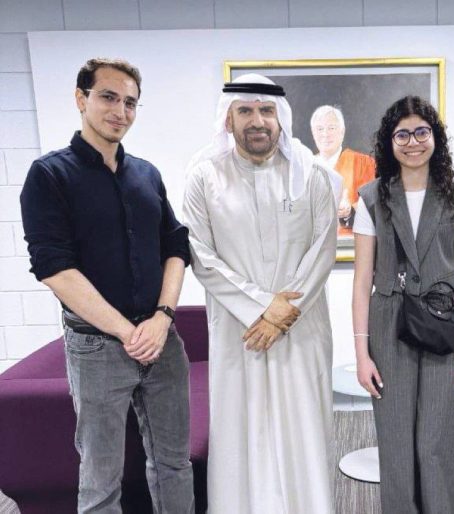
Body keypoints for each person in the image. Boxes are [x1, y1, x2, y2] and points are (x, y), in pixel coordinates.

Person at [19, 58, 195, 512]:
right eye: (109, 97)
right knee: (101, 480)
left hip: (161, 340)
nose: (120, 111)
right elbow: (54, 268)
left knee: (174, 465)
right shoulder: (49, 175)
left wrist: (162, 318)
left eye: (130, 102)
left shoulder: (147, 174)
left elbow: (176, 246)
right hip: (97, 347)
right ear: (81, 99)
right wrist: (127, 331)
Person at [183, 73, 338, 514]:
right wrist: (261, 308)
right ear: (228, 119)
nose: (257, 121)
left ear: (280, 117)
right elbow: (200, 254)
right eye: (246, 111)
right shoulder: (204, 177)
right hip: (240, 331)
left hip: (301, 328)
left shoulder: (312, 175)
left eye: (266, 110)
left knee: (304, 428)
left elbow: (323, 249)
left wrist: (281, 314)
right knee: (240, 428)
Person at [352, 95, 454, 513]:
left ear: (435, 137)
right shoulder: (371, 198)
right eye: (402, 134)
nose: (413, 142)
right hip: (389, 323)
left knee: (438, 440)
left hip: (446, 324)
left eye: (421, 132)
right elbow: (362, 283)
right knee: (395, 441)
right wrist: (362, 355)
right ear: (389, 142)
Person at [310, 105, 376, 236]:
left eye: (331, 128)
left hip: (350, 244)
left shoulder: (364, 164)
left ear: (342, 131)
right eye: (320, 129)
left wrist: (349, 212)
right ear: (313, 133)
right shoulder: (305, 167)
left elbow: (375, 206)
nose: (325, 134)